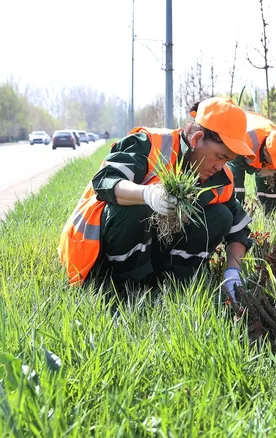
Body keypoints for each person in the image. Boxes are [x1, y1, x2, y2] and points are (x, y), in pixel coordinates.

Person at [58, 97, 255, 303]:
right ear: (196, 139)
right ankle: (125, 289)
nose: (219, 166)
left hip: (152, 254)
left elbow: (238, 228)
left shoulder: (221, 179)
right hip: (97, 255)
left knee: (221, 215)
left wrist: (233, 272)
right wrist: (147, 194)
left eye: (227, 160)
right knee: (135, 208)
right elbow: (106, 181)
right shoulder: (151, 144)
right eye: (219, 156)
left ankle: (175, 285)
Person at [229, 111, 276, 225]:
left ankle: (274, 218)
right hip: (240, 137)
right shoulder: (246, 141)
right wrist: (236, 211)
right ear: (266, 152)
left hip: (261, 137)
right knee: (234, 188)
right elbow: (235, 177)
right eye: (275, 161)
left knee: (273, 186)